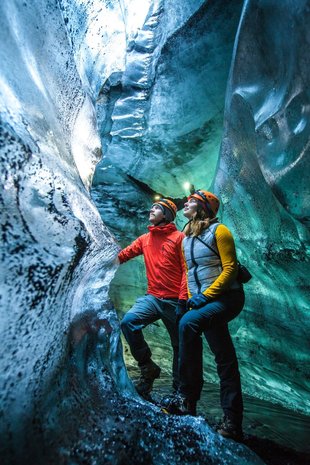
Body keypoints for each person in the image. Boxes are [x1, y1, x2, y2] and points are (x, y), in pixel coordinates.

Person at [168, 190, 245, 441]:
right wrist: (187, 298)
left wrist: (206, 296)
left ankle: (187, 397)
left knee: (188, 324)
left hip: (228, 298)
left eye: (191, 201)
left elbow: (231, 268)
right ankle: (233, 421)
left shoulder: (220, 231)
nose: (186, 203)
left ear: (203, 208)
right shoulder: (186, 238)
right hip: (204, 300)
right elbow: (189, 273)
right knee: (224, 356)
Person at [118, 198, 187, 397]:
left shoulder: (179, 238)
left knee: (179, 346)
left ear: (166, 214)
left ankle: (178, 390)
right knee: (129, 322)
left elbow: (186, 271)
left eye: (157, 208)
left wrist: (183, 300)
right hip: (153, 298)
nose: (152, 209)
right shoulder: (144, 239)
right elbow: (123, 255)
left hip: (175, 301)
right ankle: (147, 367)